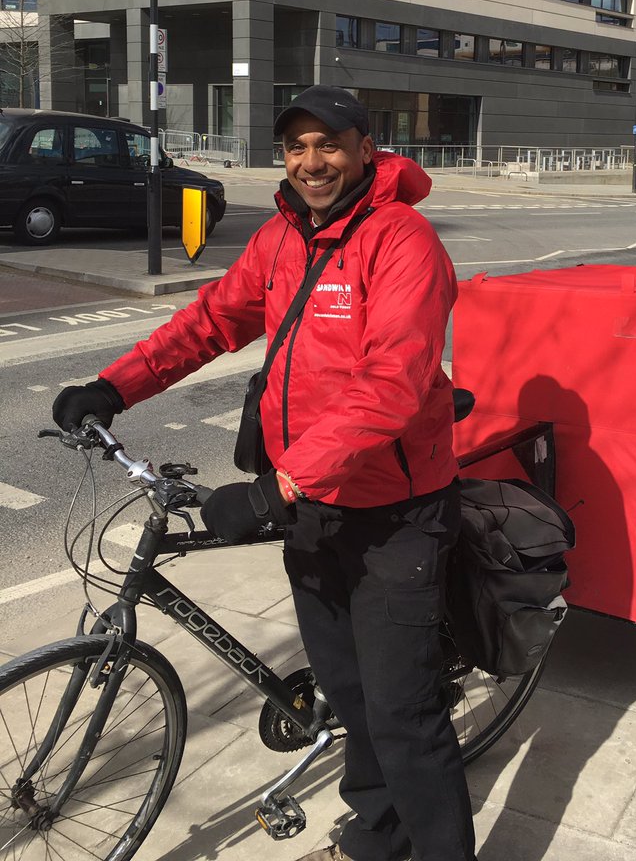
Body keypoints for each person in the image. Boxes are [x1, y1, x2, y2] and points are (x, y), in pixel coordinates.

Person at [52, 85, 477, 861]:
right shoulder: (284, 237)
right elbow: (213, 320)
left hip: (395, 513)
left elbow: (392, 385)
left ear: (364, 148)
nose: (311, 162)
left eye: (329, 145)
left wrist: (278, 485)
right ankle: (377, 840)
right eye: (296, 147)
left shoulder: (403, 239)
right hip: (313, 507)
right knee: (346, 692)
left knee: (402, 713)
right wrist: (115, 386)